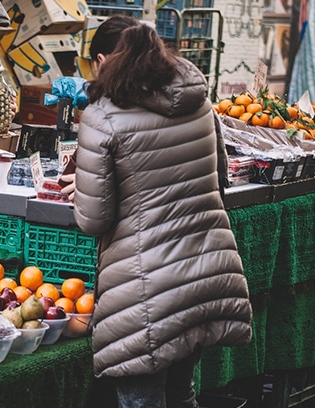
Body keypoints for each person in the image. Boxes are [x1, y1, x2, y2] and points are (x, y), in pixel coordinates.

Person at [60, 15, 252, 408]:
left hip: (147, 288)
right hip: (207, 270)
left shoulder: (102, 117)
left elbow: (93, 219)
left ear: (102, 62)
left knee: (141, 401)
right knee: (182, 395)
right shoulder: (200, 103)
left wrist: (84, 187)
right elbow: (220, 178)